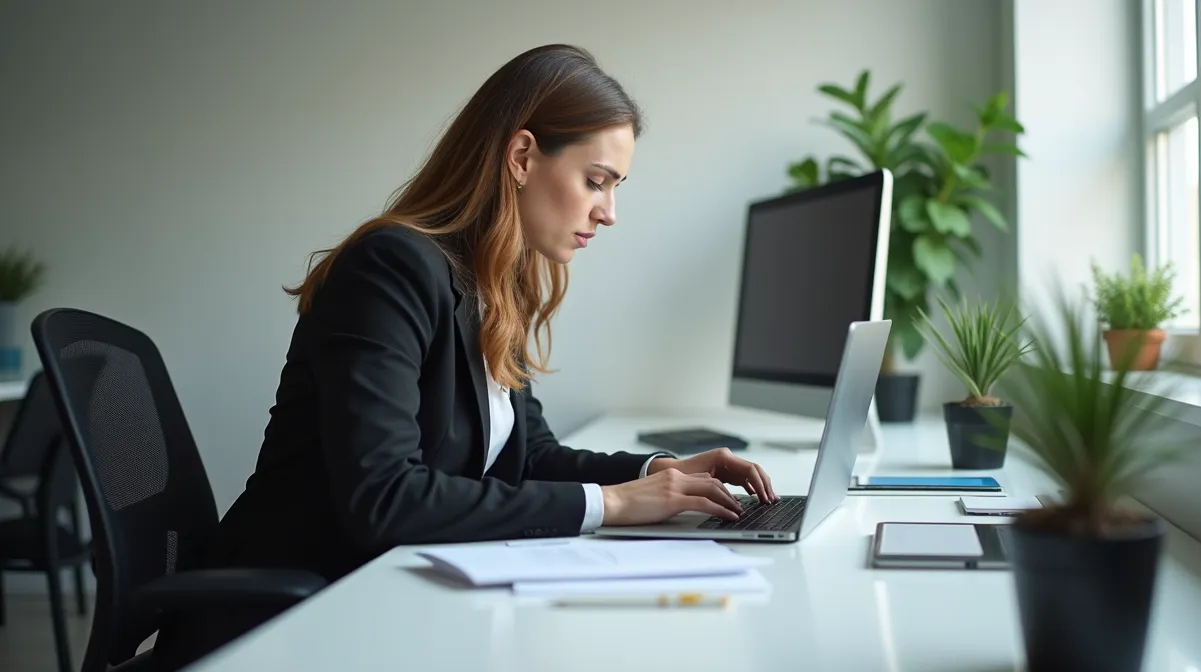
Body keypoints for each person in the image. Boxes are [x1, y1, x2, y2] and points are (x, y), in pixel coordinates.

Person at [206, 44, 778, 584]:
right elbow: (384, 497)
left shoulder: (494, 283)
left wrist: (656, 473)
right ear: (522, 156)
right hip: (297, 605)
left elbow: (528, 456)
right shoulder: (389, 268)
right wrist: (612, 503)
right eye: (595, 182)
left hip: (384, 587)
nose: (608, 213)